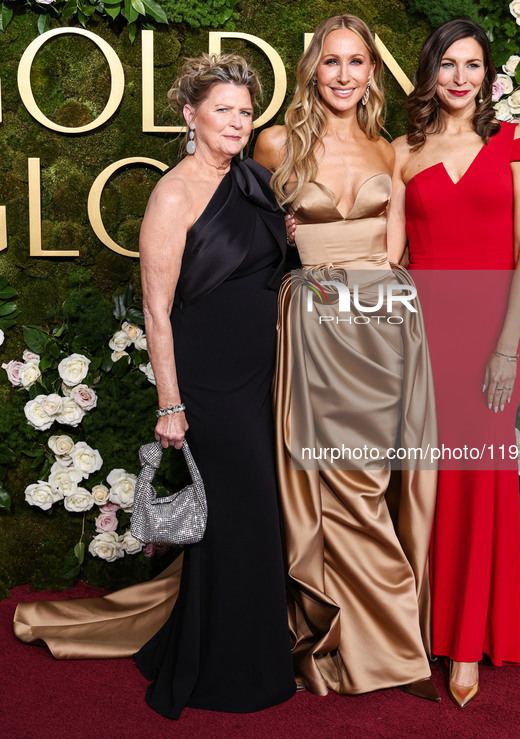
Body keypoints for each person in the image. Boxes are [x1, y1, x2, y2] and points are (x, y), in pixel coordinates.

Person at [14, 53, 296, 719]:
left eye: (245, 110)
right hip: (209, 379)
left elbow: (273, 258)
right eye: (223, 109)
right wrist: (171, 404)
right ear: (189, 114)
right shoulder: (172, 192)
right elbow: (156, 309)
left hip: (263, 371)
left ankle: (222, 647)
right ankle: (227, 670)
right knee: (244, 513)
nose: (237, 120)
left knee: (246, 517)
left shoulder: (255, 179)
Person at [254, 14, 439, 701]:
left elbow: (396, 249)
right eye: (329, 62)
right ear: (312, 71)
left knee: (374, 482)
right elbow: (246, 239)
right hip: (314, 332)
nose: (341, 75)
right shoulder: (274, 144)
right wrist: (285, 240)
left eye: (355, 62)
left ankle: (377, 640)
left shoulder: (388, 150)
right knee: (337, 490)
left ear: (370, 73)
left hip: (381, 329)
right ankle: (381, 649)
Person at [389, 18, 520, 707]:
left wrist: (507, 345)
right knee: (425, 483)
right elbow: (388, 255)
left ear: (486, 75)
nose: (459, 77)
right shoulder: (401, 152)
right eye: (447, 64)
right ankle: (415, 625)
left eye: (472, 65)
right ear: (430, 73)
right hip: (418, 338)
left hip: (491, 334)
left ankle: (464, 644)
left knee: (476, 482)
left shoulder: (517, 144)